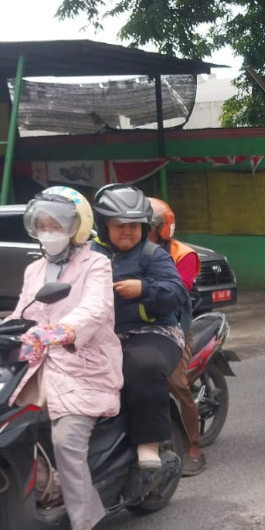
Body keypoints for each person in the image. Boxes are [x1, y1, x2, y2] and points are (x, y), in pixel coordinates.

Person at [15, 186, 123, 530]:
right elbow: (22, 315)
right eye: (41, 225)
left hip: (85, 365)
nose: (48, 231)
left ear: (76, 227)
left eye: (55, 224)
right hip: (39, 366)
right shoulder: (34, 270)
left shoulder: (96, 264)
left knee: (65, 439)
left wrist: (60, 330)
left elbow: (95, 310)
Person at [91, 184, 188, 493]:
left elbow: (176, 291)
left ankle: (148, 445)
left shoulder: (153, 255)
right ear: (103, 226)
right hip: (103, 334)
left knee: (142, 366)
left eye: (134, 225)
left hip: (155, 332)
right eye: (120, 225)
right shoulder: (89, 256)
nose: (128, 232)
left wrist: (143, 290)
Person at [148, 197, 206, 477]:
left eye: (146, 226)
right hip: (137, 327)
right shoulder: (127, 252)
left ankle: (194, 445)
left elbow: (175, 294)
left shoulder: (184, 254)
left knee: (176, 383)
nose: (137, 231)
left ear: (163, 228)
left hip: (175, 327)